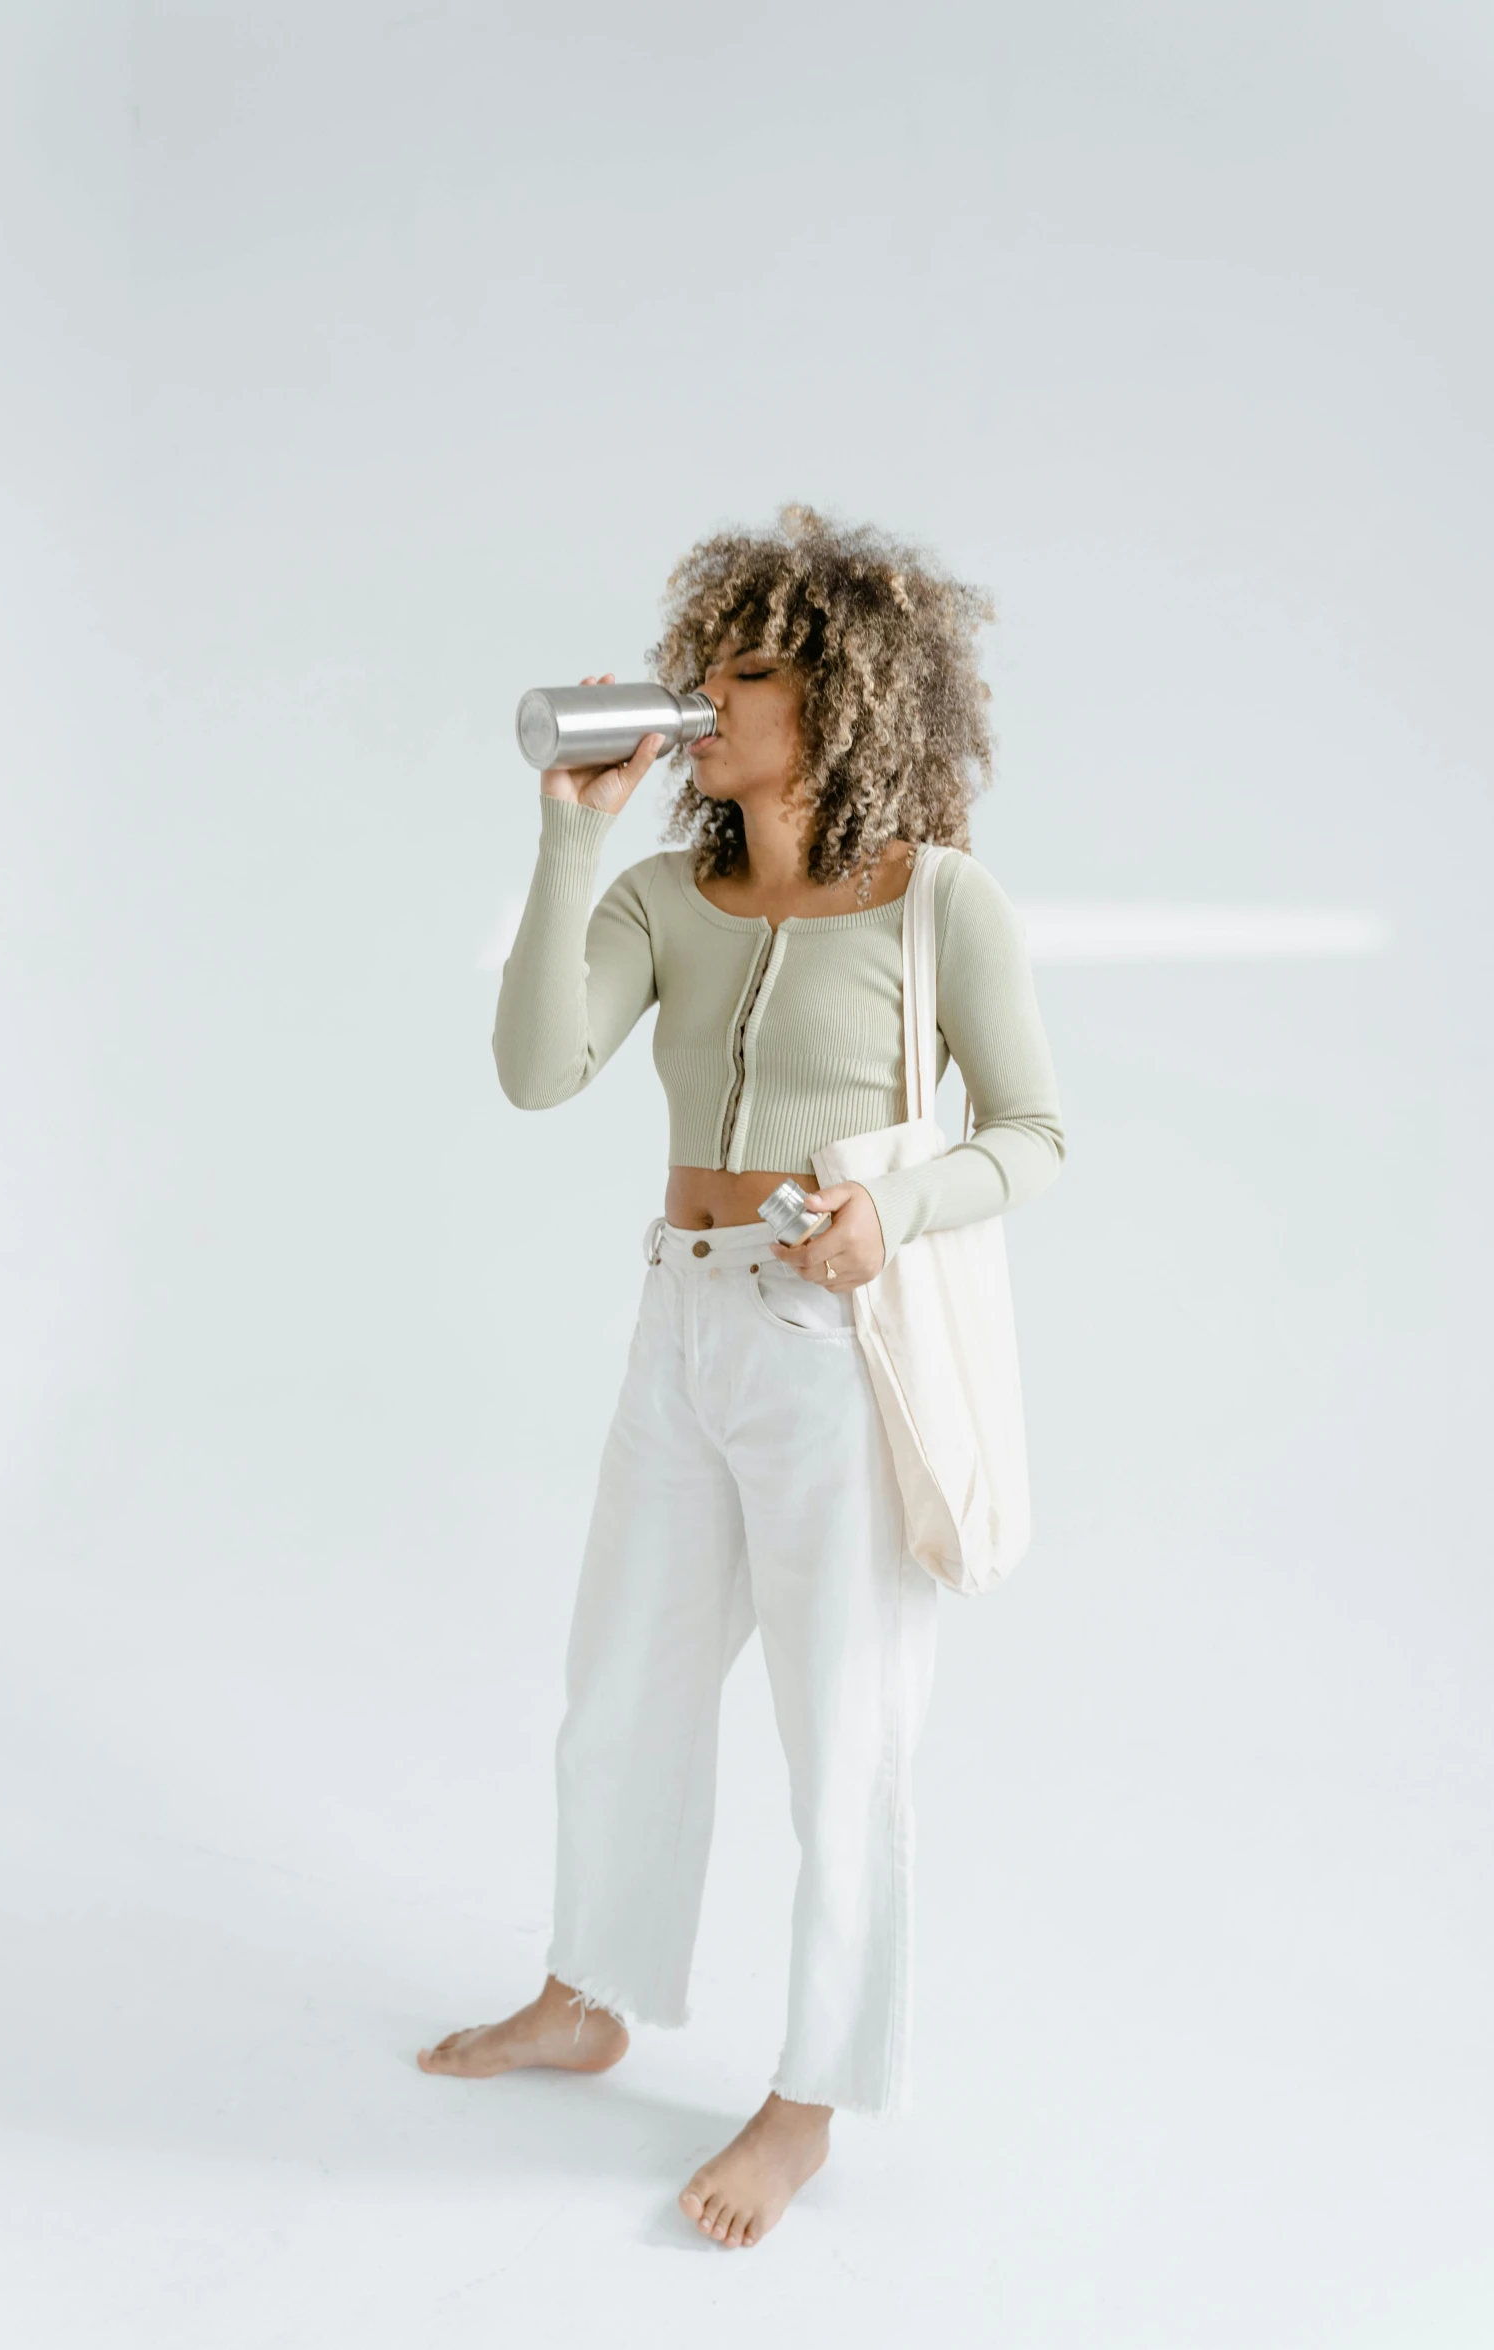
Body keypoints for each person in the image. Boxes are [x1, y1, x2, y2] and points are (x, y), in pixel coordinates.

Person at [419, 506, 1067, 2248]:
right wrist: (569, 846)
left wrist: (894, 1212)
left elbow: (1034, 1135)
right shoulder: (664, 896)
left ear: (848, 693)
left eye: (752, 668)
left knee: (840, 1732)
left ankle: (810, 2094)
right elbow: (536, 1072)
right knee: (616, 1682)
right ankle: (593, 1989)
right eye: (708, 656)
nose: (707, 689)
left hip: (830, 1347)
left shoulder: (939, 900)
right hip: (677, 1323)